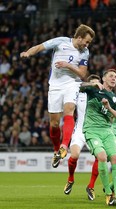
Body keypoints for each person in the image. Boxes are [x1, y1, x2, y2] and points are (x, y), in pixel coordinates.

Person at [20, 24, 95, 168]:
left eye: (89, 42)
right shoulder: (61, 41)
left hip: (72, 83)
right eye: (86, 41)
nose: (87, 44)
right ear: (79, 37)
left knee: (69, 110)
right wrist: (28, 53)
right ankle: (56, 150)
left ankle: (64, 146)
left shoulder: (85, 52)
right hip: (55, 85)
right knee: (54, 124)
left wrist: (68, 65)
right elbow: (40, 47)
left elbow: (82, 74)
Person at [81, 69, 116, 206]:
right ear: (103, 79)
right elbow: (79, 86)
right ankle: (108, 195)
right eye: (111, 76)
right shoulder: (94, 90)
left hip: (107, 131)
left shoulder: (115, 98)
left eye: (115, 76)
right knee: (102, 157)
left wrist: (109, 108)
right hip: (92, 130)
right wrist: (92, 85)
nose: (114, 78)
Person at [63, 75, 101, 200]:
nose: (95, 85)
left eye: (97, 83)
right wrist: (90, 84)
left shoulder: (101, 97)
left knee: (100, 157)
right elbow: (77, 85)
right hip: (79, 131)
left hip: (93, 131)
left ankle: (90, 186)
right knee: (74, 155)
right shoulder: (80, 95)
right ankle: (70, 179)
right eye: (93, 83)